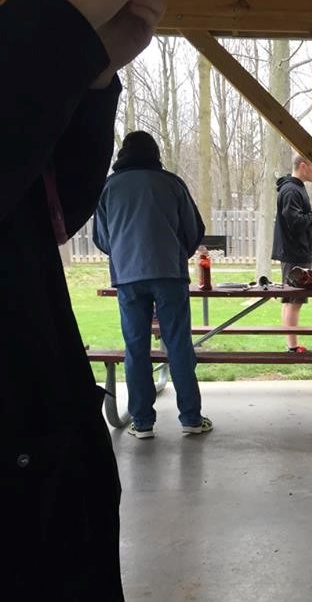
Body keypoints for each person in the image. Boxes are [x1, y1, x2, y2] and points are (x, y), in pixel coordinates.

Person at [0, 0, 166, 601]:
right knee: (170, 345)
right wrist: (55, 21)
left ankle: (150, 412)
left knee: (141, 344)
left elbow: (47, 212)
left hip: (47, 471)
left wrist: (91, 74)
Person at [93, 131, 212, 439]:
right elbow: (193, 229)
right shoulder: (171, 183)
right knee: (178, 345)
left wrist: (124, 252)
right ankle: (191, 419)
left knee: (135, 348)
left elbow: (102, 239)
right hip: (169, 275)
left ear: (123, 154)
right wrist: (174, 253)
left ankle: (142, 422)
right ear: (155, 153)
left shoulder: (109, 187)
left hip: (128, 277)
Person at [271, 154, 312, 353]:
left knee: (290, 300)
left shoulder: (295, 187)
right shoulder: (291, 190)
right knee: (294, 301)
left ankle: (291, 344)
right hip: (294, 253)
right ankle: (292, 346)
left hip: (296, 252)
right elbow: (294, 221)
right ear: (304, 166)